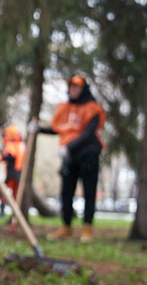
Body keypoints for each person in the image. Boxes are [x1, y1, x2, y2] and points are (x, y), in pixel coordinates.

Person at [31, 74, 106, 243]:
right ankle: (66, 226)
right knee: (66, 191)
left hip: (88, 153)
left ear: (83, 89)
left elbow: (88, 134)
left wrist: (69, 147)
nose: (73, 90)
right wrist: (39, 129)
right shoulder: (65, 108)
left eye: (77, 87)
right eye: (71, 87)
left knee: (88, 191)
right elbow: (60, 129)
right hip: (70, 155)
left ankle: (87, 227)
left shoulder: (93, 108)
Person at [0, 125, 25, 216]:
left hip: (12, 173)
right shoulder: (20, 144)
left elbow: (10, 156)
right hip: (18, 173)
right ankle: (15, 215)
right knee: (15, 194)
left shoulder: (12, 145)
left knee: (2, 192)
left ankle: (2, 212)